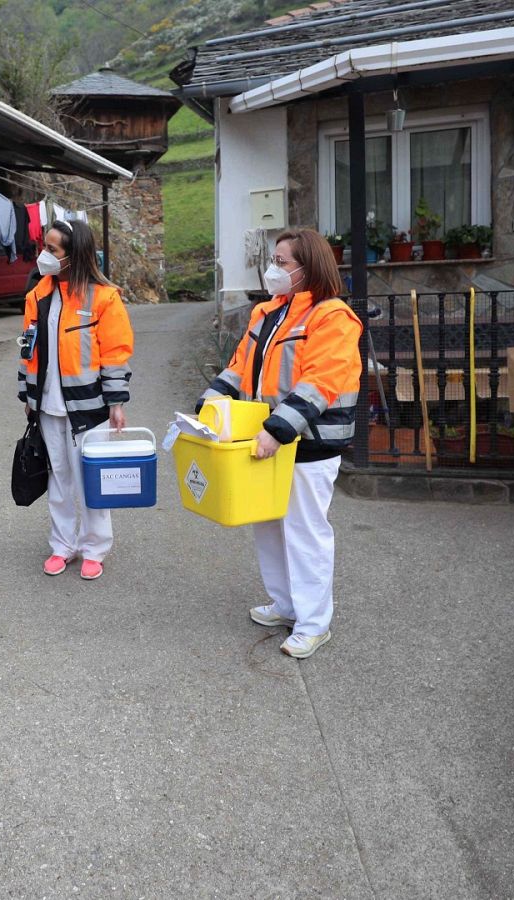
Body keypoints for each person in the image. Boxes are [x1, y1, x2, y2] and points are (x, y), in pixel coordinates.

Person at [199, 229, 361, 660]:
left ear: (309, 268)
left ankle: (313, 623)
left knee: (304, 533)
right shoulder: (269, 313)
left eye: (282, 262)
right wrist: (207, 406)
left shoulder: (332, 316)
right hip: (267, 438)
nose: (274, 269)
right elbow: (239, 367)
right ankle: (285, 604)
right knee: (268, 526)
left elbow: (320, 382)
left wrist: (278, 429)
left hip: (308, 444)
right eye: (274, 259)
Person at [18, 219, 134, 580]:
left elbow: (115, 353)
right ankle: (62, 545)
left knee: (90, 480)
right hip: (48, 407)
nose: (44, 254)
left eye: (52, 249)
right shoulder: (37, 294)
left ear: (73, 255)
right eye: (45, 246)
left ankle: (95, 548)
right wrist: (28, 395)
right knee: (58, 478)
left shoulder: (103, 298)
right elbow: (28, 348)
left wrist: (116, 403)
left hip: (89, 407)